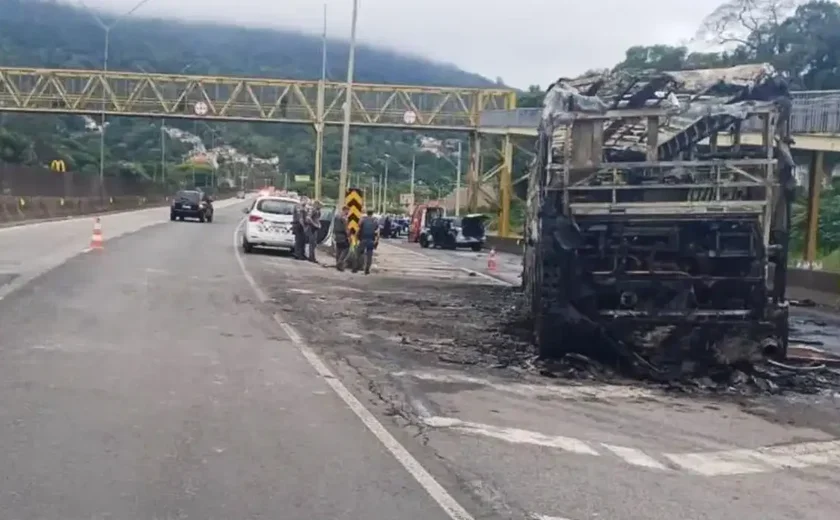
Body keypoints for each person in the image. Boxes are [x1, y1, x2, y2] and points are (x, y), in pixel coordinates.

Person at [355, 209, 378, 275]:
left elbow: (358, 230)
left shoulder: (362, 220)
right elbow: (377, 232)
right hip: (371, 240)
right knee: (369, 255)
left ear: (367, 213)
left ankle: (356, 267)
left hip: (363, 240)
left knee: (358, 253)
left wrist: (356, 239)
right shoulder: (375, 221)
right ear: (372, 213)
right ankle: (367, 269)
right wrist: (376, 241)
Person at [333, 206, 350, 271]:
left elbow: (334, 226)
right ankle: (340, 263)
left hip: (337, 235)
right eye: (348, 211)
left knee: (338, 249)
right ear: (345, 210)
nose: (348, 212)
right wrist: (349, 236)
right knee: (346, 248)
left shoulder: (336, 216)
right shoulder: (344, 218)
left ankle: (337, 263)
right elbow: (346, 229)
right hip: (343, 235)